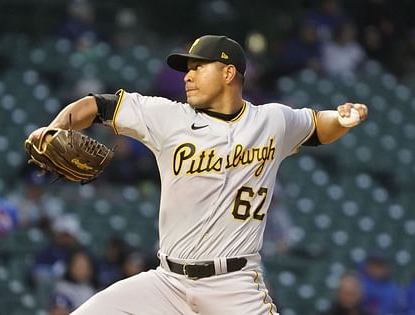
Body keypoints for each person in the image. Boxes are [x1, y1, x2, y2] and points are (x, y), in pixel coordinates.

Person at [29, 34, 368, 314]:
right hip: (167, 283)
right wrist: (55, 128)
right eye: (186, 69)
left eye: (198, 67)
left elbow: (316, 127)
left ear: (228, 73)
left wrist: (342, 119)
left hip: (234, 286)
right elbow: (98, 105)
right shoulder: (168, 116)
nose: (187, 76)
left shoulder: (272, 120)